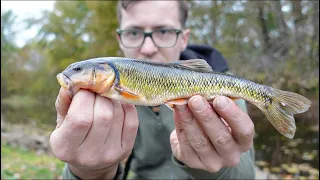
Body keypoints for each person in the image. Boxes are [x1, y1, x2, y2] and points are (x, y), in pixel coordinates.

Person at [50, 0, 256, 179]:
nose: (148, 48)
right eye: (133, 32)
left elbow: (247, 175)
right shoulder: (102, 99)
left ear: (184, 38)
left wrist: (214, 169)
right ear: (120, 39)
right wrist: (88, 173)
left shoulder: (221, 84)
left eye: (164, 31)